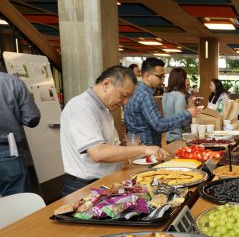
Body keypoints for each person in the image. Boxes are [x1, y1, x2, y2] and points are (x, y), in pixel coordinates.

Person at [60, 66, 168, 196]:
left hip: (106, 181)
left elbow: (106, 146)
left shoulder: (103, 108)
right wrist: (144, 149)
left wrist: (125, 148)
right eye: (124, 95)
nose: (126, 102)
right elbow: (98, 153)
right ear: (106, 84)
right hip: (85, 186)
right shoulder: (82, 107)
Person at [124, 57, 200, 146]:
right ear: (148, 76)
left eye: (163, 77)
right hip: (146, 148)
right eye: (160, 77)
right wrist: (188, 113)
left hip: (137, 145)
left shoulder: (135, 90)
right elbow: (159, 125)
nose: (162, 80)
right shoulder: (145, 95)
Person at [0, 72, 41, 196]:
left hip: (8, 150)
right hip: (8, 150)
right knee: (17, 203)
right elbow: (32, 119)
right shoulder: (12, 82)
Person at [162, 67, 190, 144]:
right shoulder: (179, 96)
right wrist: (189, 113)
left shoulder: (165, 95)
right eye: (185, 78)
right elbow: (181, 120)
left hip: (168, 136)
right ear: (181, 80)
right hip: (178, 138)